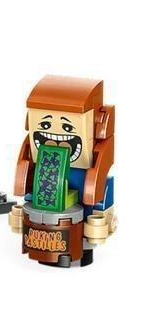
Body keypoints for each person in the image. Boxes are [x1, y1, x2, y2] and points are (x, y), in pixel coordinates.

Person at [10, 76, 117, 268]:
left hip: (79, 216)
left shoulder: (92, 171)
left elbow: (98, 206)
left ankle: (80, 252)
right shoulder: (35, 162)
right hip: (41, 216)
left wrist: (96, 223)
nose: (57, 136)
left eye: (68, 127)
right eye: (44, 125)